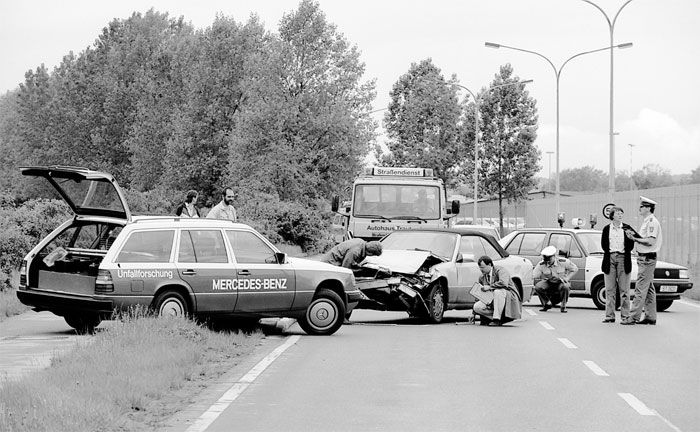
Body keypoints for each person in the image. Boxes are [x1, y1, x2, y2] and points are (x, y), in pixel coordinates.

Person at [622, 196, 663, 325]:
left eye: (642, 207)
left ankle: (633, 317)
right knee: (649, 288)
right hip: (645, 258)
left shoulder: (651, 222)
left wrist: (635, 239)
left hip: (647, 258)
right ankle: (650, 316)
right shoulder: (647, 221)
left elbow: (650, 241)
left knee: (640, 288)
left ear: (648, 208)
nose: (639, 209)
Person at [600, 206, 635, 323]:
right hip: (609, 257)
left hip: (623, 258)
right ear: (612, 216)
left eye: (621, 213)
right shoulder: (606, 229)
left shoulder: (627, 228)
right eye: (618, 213)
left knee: (624, 290)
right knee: (610, 289)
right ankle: (609, 316)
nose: (620, 215)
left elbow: (631, 244)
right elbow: (603, 245)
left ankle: (625, 316)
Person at [472, 256, 522, 326]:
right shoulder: (482, 277)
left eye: (483, 267)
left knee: (498, 292)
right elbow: (480, 294)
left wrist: (489, 287)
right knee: (476, 307)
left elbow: (503, 283)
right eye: (480, 267)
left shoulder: (501, 270)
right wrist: (474, 313)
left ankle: (496, 319)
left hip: (508, 296)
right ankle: (499, 318)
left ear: (489, 265)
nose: (481, 269)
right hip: (491, 298)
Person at [533, 245, 578, 313]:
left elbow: (575, 269)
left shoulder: (563, 262)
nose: (548, 262)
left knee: (566, 286)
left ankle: (563, 306)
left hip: (561, 282)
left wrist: (567, 278)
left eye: (549, 259)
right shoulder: (541, 264)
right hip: (549, 282)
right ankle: (546, 303)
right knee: (538, 286)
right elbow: (534, 275)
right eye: (546, 260)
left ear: (554, 256)